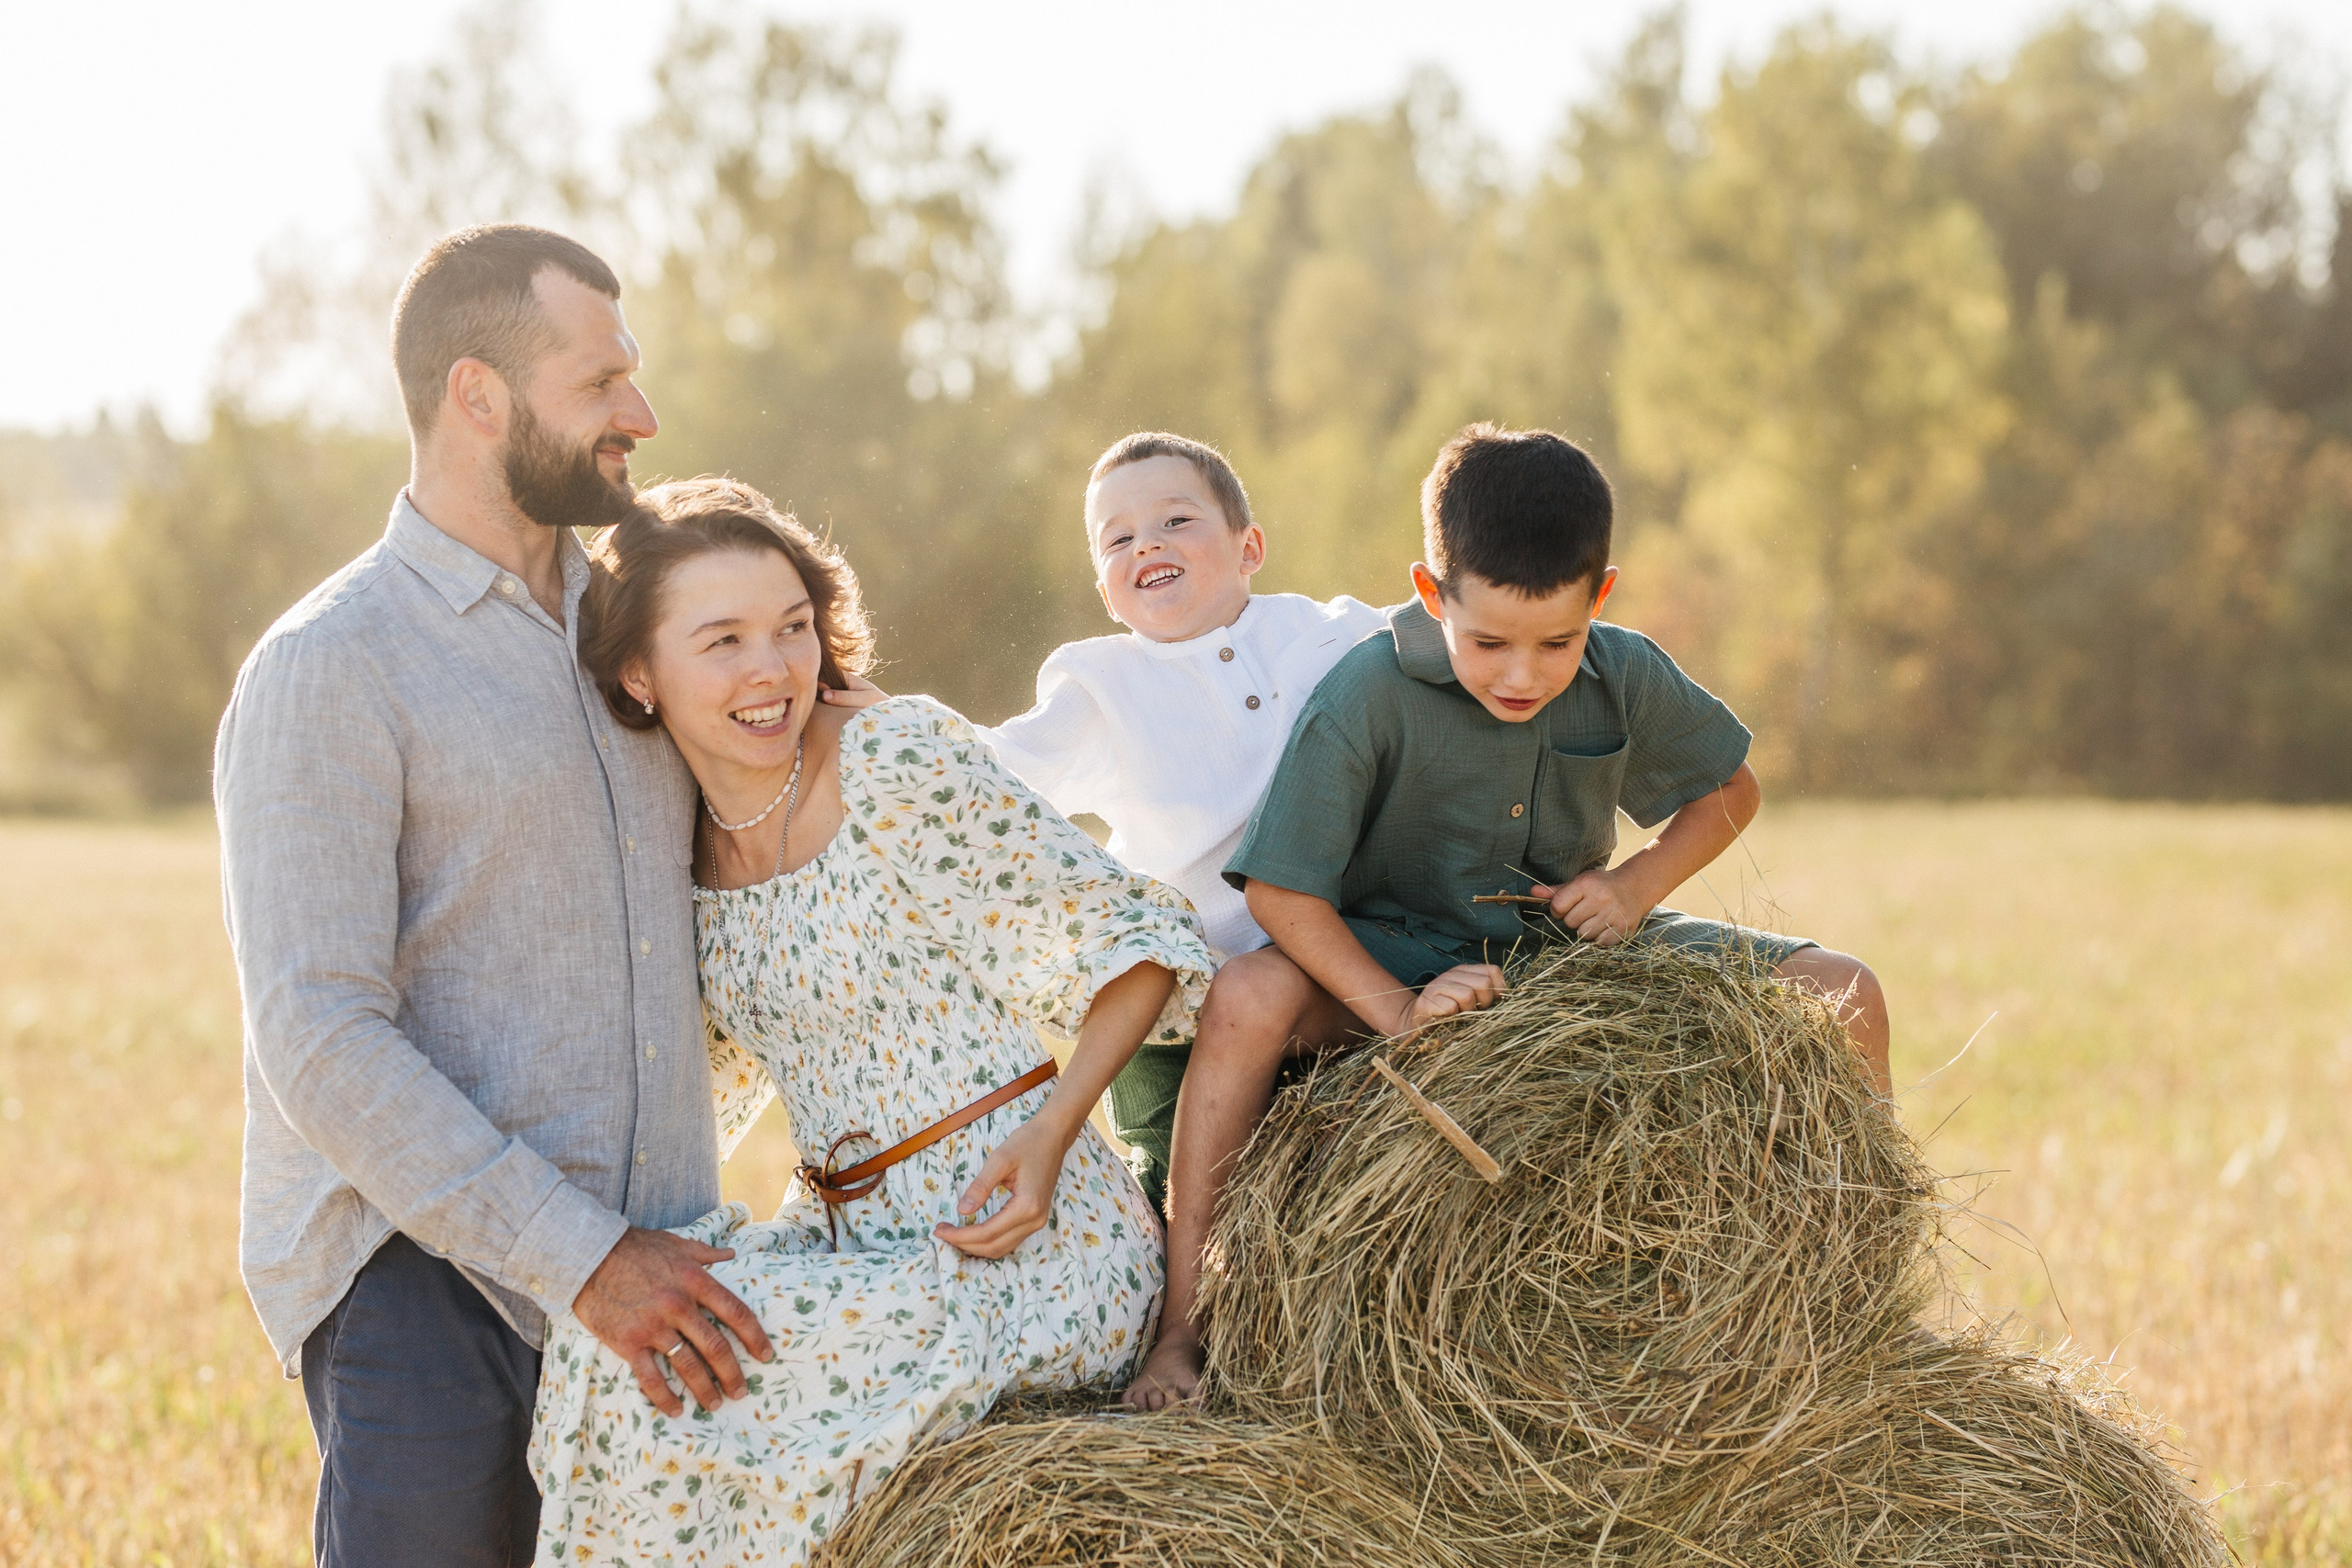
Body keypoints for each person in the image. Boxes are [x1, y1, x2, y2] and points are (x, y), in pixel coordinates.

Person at [215, 225, 865, 1566]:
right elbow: (316, 1034)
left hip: (663, 1266)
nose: (643, 415)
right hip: (424, 1283)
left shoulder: (650, 629)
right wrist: (582, 1259)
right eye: (601, 381)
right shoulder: (333, 663)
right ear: (478, 394)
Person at [536, 477, 1212, 1565]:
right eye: (723, 641)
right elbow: (690, 1083)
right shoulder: (667, 831)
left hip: (1027, 1244)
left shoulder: (894, 760)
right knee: (620, 1349)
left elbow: (1139, 944)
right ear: (639, 674)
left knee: (733, 1388)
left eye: (792, 627)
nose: (772, 669)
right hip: (847, 1242)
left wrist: (1049, 1139)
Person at [1183, 423, 1893, 1394]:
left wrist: (1635, 885)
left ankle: (1863, 1308)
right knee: (1243, 997)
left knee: (1848, 990)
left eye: (1557, 643)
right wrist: (1398, 1010)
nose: (1522, 675)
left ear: (1599, 597)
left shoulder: (1624, 668)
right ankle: (1183, 1324)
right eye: (1489, 643)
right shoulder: (1367, 691)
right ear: (1431, 594)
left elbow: (1731, 789)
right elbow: (1281, 889)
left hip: (1570, 954)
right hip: (1397, 954)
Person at [971, 432, 1386, 1409]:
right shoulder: (1101, 686)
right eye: (1116, 539)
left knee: (1343, 1198)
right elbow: (990, 768)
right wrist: (875, 727)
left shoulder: (1324, 633)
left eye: (1174, 520)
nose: (1145, 544)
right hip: (1186, 1011)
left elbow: (1449, 634)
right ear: (1105, 588)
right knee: (1174, 1201)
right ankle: (1177, 1336)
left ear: (1249, 547)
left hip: (1336, 971)